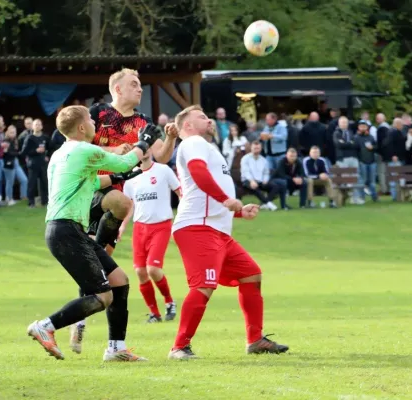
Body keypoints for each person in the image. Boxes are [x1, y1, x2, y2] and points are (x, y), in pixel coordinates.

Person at [26, 105, 161, 362]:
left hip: (64, 229)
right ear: (80, 127)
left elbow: (91, 183)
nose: (94, 124)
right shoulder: (84, 149)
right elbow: (123, 160)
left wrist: (122, 175)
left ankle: (116, 348)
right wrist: (143, 144)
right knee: (103, 296)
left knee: (119, 280)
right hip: (67, 231)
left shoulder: (60, 154)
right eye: (90, 119)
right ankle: (46, 326)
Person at [167, 105, 289, 360]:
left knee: (251, 275)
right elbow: (199, 175)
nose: (208, 118)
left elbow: (205, 195)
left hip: (216, 229)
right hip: (197, 228)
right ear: (187, 126)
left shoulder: (207, 146)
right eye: (201, 116)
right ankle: (179, 347)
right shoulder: (193, 142)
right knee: (203, 286)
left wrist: (238, 211)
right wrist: (225, 200)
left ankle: (255, 340)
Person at [69, 68, 178, 350]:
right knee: (118, 209)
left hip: (116, 198)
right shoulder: (99, 114)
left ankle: (81, 323)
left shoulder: (143, 121)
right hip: (90, 190)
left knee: (99, 266)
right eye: (134, 84)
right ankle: (89, 330)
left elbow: (162, 157)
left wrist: (171, 138)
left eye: (141, 85)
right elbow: (74, 143)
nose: (140, 89)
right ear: (117, 90)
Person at [119, 149, 181, 324]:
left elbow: (180, 192)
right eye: (140, 147)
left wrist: (183, 215)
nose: (144, 150)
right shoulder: (131, 177)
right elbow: (129, 205)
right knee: (140, 271)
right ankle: (154, 313)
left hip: (161, 225)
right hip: (140, 228)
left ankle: (169, 302)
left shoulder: (163, 170)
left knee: (153, 269)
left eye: (147, 146)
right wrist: (122, 226)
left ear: (152, 150)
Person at [21, 119, 48, 207]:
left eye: (39, 124)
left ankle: (45, 201)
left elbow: (51, 147)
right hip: (33, 163)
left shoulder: (45, 137)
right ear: (33, 126)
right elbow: (24, 152)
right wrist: (35, 151)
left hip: (43, 163)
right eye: (36, 124)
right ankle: (31, 202)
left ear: (42, 126)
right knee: (32, 184)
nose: (38, 126)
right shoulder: (29, 138)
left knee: (44, 183)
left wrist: (48, 155)